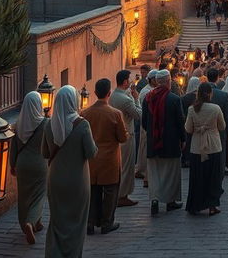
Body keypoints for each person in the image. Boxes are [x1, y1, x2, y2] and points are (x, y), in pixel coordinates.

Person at [42, 85, 97, 258]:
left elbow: (44, 153)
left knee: (57, 221)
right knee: (76, 222)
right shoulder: (82, 125)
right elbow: (91, 153)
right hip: (77, 181)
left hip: (56, 180)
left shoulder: (50, 125)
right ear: (74, 101)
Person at [142, 69, 186, 215]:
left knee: (155, 174)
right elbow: (180, 122)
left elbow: (144, 122)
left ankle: (154, 200)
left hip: (153, 143)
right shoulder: (174, 99)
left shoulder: (147, 98)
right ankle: (170, 201)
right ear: (168, 82)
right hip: (170, 143)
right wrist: (183, 139)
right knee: (171, 173)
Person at [9, 91, 47, 245]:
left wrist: (13, 165)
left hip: (22, 164)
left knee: (24, 196)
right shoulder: (45, 123)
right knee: (39, 195)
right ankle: (31, 222)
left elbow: (14, 147)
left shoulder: (18, 124)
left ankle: (32, 224)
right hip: (39, 164)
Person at [185, 82, 226, 215]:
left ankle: (195, 204)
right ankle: (212, 205)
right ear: (210, 93)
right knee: (213, 177)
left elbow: (188, 129)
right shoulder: (215, 108)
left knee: (197, 177)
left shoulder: (192, 109)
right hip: (213, 146)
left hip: (197, 147)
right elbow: (222, 127)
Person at [108, 69, 141, 207]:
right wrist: (136, 98)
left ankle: (119, 194)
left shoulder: (113, 96)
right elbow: (139, 115)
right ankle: (123, 195)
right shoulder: (127, 100)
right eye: (129, 79)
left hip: (116, 136)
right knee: (127, 167)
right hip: (128, 135)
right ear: (125, 82)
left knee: (119, 167)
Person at [206, 67, 228, 180]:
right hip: (219, 130)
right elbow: (227, 115)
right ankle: (218, 178)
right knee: (220, 156)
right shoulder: (223, 95)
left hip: (204, 131)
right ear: (217, 78)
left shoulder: (200, 93)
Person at [136, 69, 157, 186]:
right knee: (145, 148)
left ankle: (142, 170)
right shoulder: (146, 92)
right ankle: (144, 172)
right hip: (146, 123)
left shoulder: (151, 90)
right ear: (152, 80)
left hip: (148, 123)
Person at [181, 76, 201, 168]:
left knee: (188, 140)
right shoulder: (200, 98)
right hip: (198, 123)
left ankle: (186, 159)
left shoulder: (185, 98)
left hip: (187, 122)